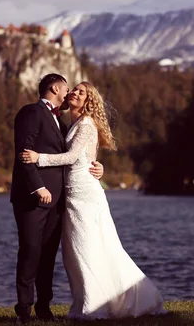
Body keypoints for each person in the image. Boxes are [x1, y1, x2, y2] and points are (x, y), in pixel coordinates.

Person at [20, 81, 166, 320]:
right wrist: (97, 166)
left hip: (85, 195)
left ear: (88, 100)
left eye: (80, 91)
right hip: (72, 196)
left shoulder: (86, 124)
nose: (74, 93)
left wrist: (39, 158)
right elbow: (86, 157)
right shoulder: (73, 124)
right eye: (73, 89)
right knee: (75, 252)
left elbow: (72, 157)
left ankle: (96, 306)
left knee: (88, 248)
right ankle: (87, 302)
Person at [10, 74, 104, 324]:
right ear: (54, 88)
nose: (70, 93)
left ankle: (44, 307)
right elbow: (23, 152)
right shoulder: (31, 112)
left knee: (48, 255)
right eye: (67, 88)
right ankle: (24, 310)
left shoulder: (64, 124)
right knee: (30, 251)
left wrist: (98, 166)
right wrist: (37, 187)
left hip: (60, 200)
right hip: (32, 198)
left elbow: (77, 154)